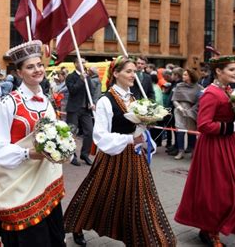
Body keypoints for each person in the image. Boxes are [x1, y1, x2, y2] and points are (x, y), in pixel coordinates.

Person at [64, 56, 176, 247]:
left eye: (134, 71)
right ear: (116, 74)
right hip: (112, 157)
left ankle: (142, 238)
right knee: (95, 194)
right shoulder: (105, 101)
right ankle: (76, 224)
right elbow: (100, 136)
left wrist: (144, 138)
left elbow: (138, 129)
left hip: (135, 157)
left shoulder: (133, 98)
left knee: (138, 198)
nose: (133, 75)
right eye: (129, 71)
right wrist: (130, 139)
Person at [0, 40, 65, 247]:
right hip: (19, 186)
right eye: (30, 67)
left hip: (46, 182)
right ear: (19, 73)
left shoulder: (47, 102)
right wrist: (28, 154)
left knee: (52, 237)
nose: (37, 70)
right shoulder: (7, 104)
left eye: (39, 64)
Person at [175, 55, 235, 246]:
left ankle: (212, 227)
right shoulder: (211, 93)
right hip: (214, 147)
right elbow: (204, 125)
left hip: (229, 144)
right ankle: (209, 231)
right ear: (219, 71)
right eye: (231, 69)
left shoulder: (228, 91)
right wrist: (233, 126)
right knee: (218, 191)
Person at [66, 59, 95, 166]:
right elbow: (72, 90)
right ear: (75, 64)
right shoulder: (70, 76)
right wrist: (80, 80)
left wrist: (92, 102)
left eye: (84, 62)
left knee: (90, 131)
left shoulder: (87, 76)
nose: (83, 64)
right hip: (74, 109)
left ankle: (85, 154)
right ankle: (72, 156)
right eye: (81, 62)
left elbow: (91, 90)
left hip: (85, 110)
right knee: (72, 132)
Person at [171, 68, 202, 160]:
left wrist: (192, 109)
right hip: (179, 111)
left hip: (192, 111)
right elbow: (174, 99)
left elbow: (200, 101)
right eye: (183, 74)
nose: (183, 76)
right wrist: (179, 107)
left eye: (185, 75)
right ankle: (181, 151)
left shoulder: (198, 87)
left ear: (191, 76)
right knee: (180, 131)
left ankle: (193, 151)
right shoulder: (179, 86)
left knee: (191, 132)